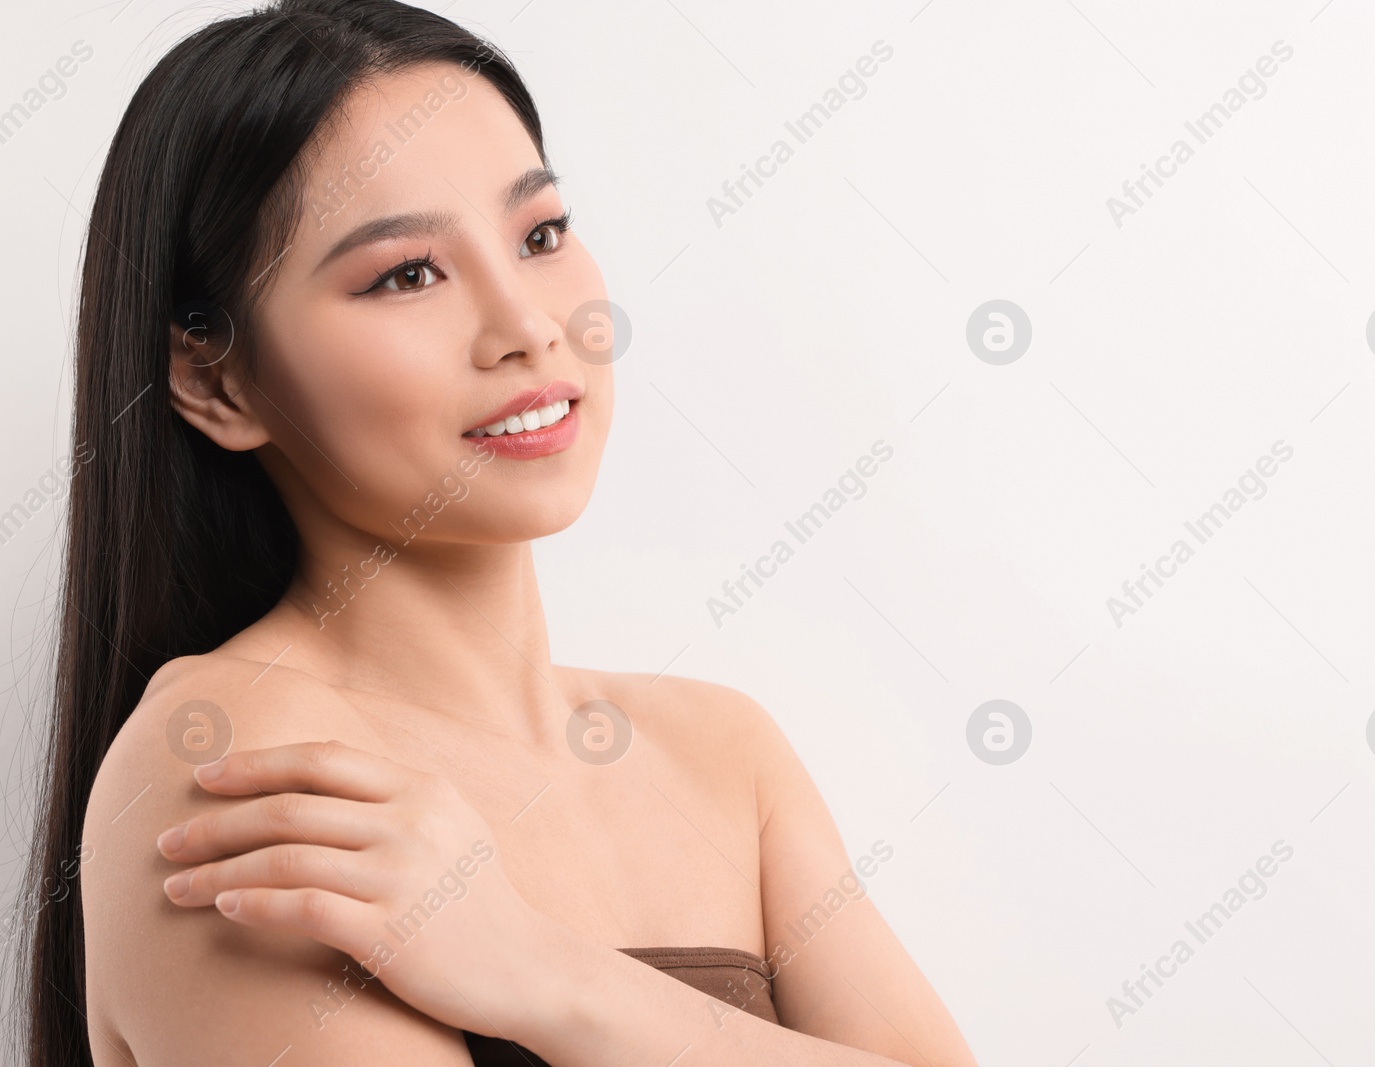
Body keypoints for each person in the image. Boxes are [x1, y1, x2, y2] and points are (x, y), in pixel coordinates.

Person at [16, 1, 979, 1064]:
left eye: (541, 235)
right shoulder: (238, 760)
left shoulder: (723, 752)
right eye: (406, 273)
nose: (528, 324)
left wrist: (543, 976)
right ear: (216, 377)